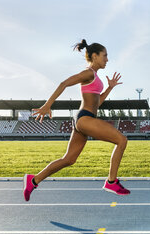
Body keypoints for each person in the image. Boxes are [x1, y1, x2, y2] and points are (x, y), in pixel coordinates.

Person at [23, 39, 130, 201]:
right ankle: (111, 182)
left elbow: (97, 102)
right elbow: (64, 83)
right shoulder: (88, 73)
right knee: (121, 140)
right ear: (94, 56)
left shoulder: (94, 77)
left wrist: (109, 88)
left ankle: (33, 180)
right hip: (85, 119)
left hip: (83, 119)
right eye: (104, 55)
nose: (107, 59)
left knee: (69, 159)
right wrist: (47, 105)